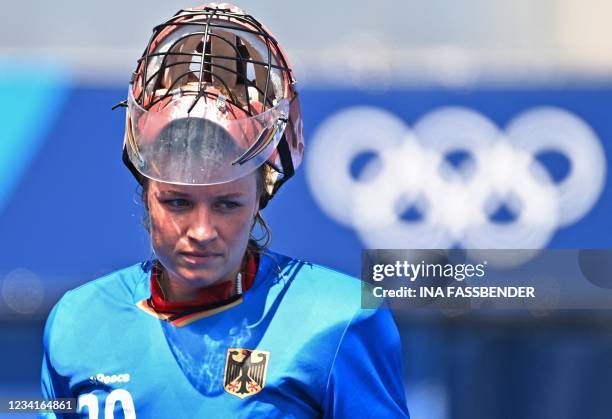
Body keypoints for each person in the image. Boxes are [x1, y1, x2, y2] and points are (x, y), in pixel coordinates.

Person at [40, 3, 410, 418]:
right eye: (177, 201)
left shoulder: (340, 319)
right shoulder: (77, 321)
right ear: (145, 192)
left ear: (260, 196)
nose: (201, 230)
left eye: (226, 204)